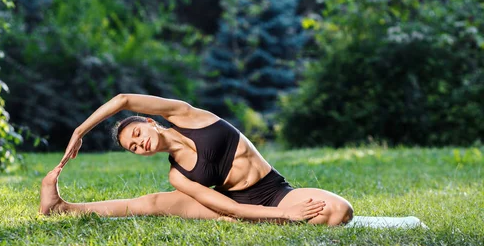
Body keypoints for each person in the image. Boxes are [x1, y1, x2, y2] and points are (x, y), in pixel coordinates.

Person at [39, 94, 354, 225]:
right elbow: (228, 206)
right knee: (152, 203)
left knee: (341, 211)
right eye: (132, 148)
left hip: (275, 190)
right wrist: (288, 216)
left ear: (150, 122)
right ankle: (61, 208)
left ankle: (264, 219)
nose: (139, 144)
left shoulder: (188, 115)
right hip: (234, 203)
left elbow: (123, 100)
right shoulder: (178, 176)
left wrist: (79, 132)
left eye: (136, 135)